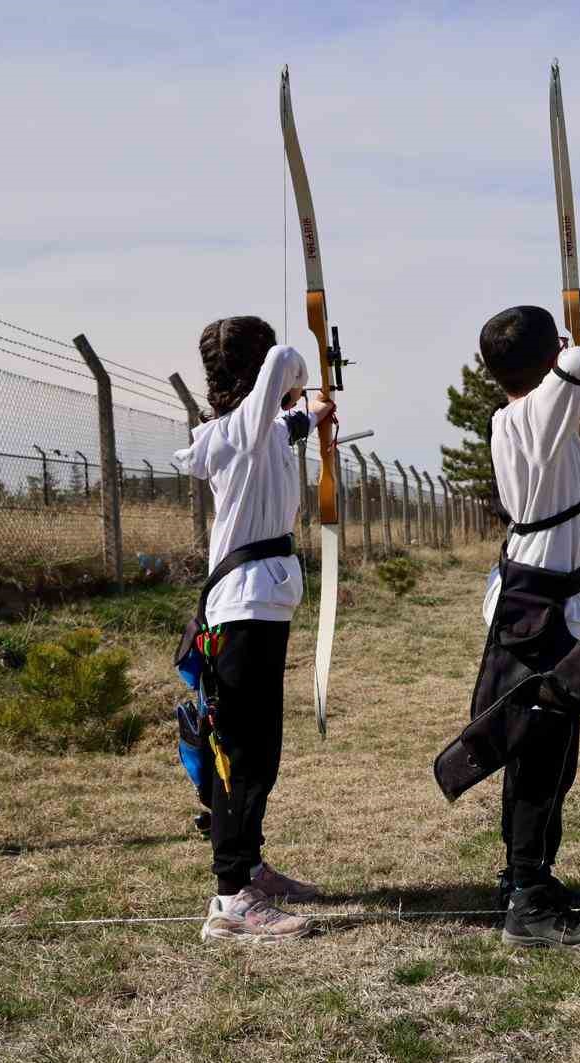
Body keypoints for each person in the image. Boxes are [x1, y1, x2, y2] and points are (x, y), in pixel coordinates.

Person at [175, 315, 333, 943]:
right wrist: (296, 368)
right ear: (256, 370)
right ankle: (230, 899)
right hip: (240, 610)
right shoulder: (229, 432)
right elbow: (282, 371)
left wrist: (315, 411)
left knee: (258, 746)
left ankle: (250, 867)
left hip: (258, 606)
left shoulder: (257, 431)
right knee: (242, 750)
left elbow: (282, 425)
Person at [470, 305, 580, 948]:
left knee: (552, 756)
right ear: (547, 356)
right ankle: (528, 899)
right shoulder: (533, 412)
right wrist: (571, 344)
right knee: (539, 753)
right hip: (538, 607)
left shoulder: (524, 418)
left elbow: (570, 376)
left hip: (540, 597)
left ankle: (527, 877)